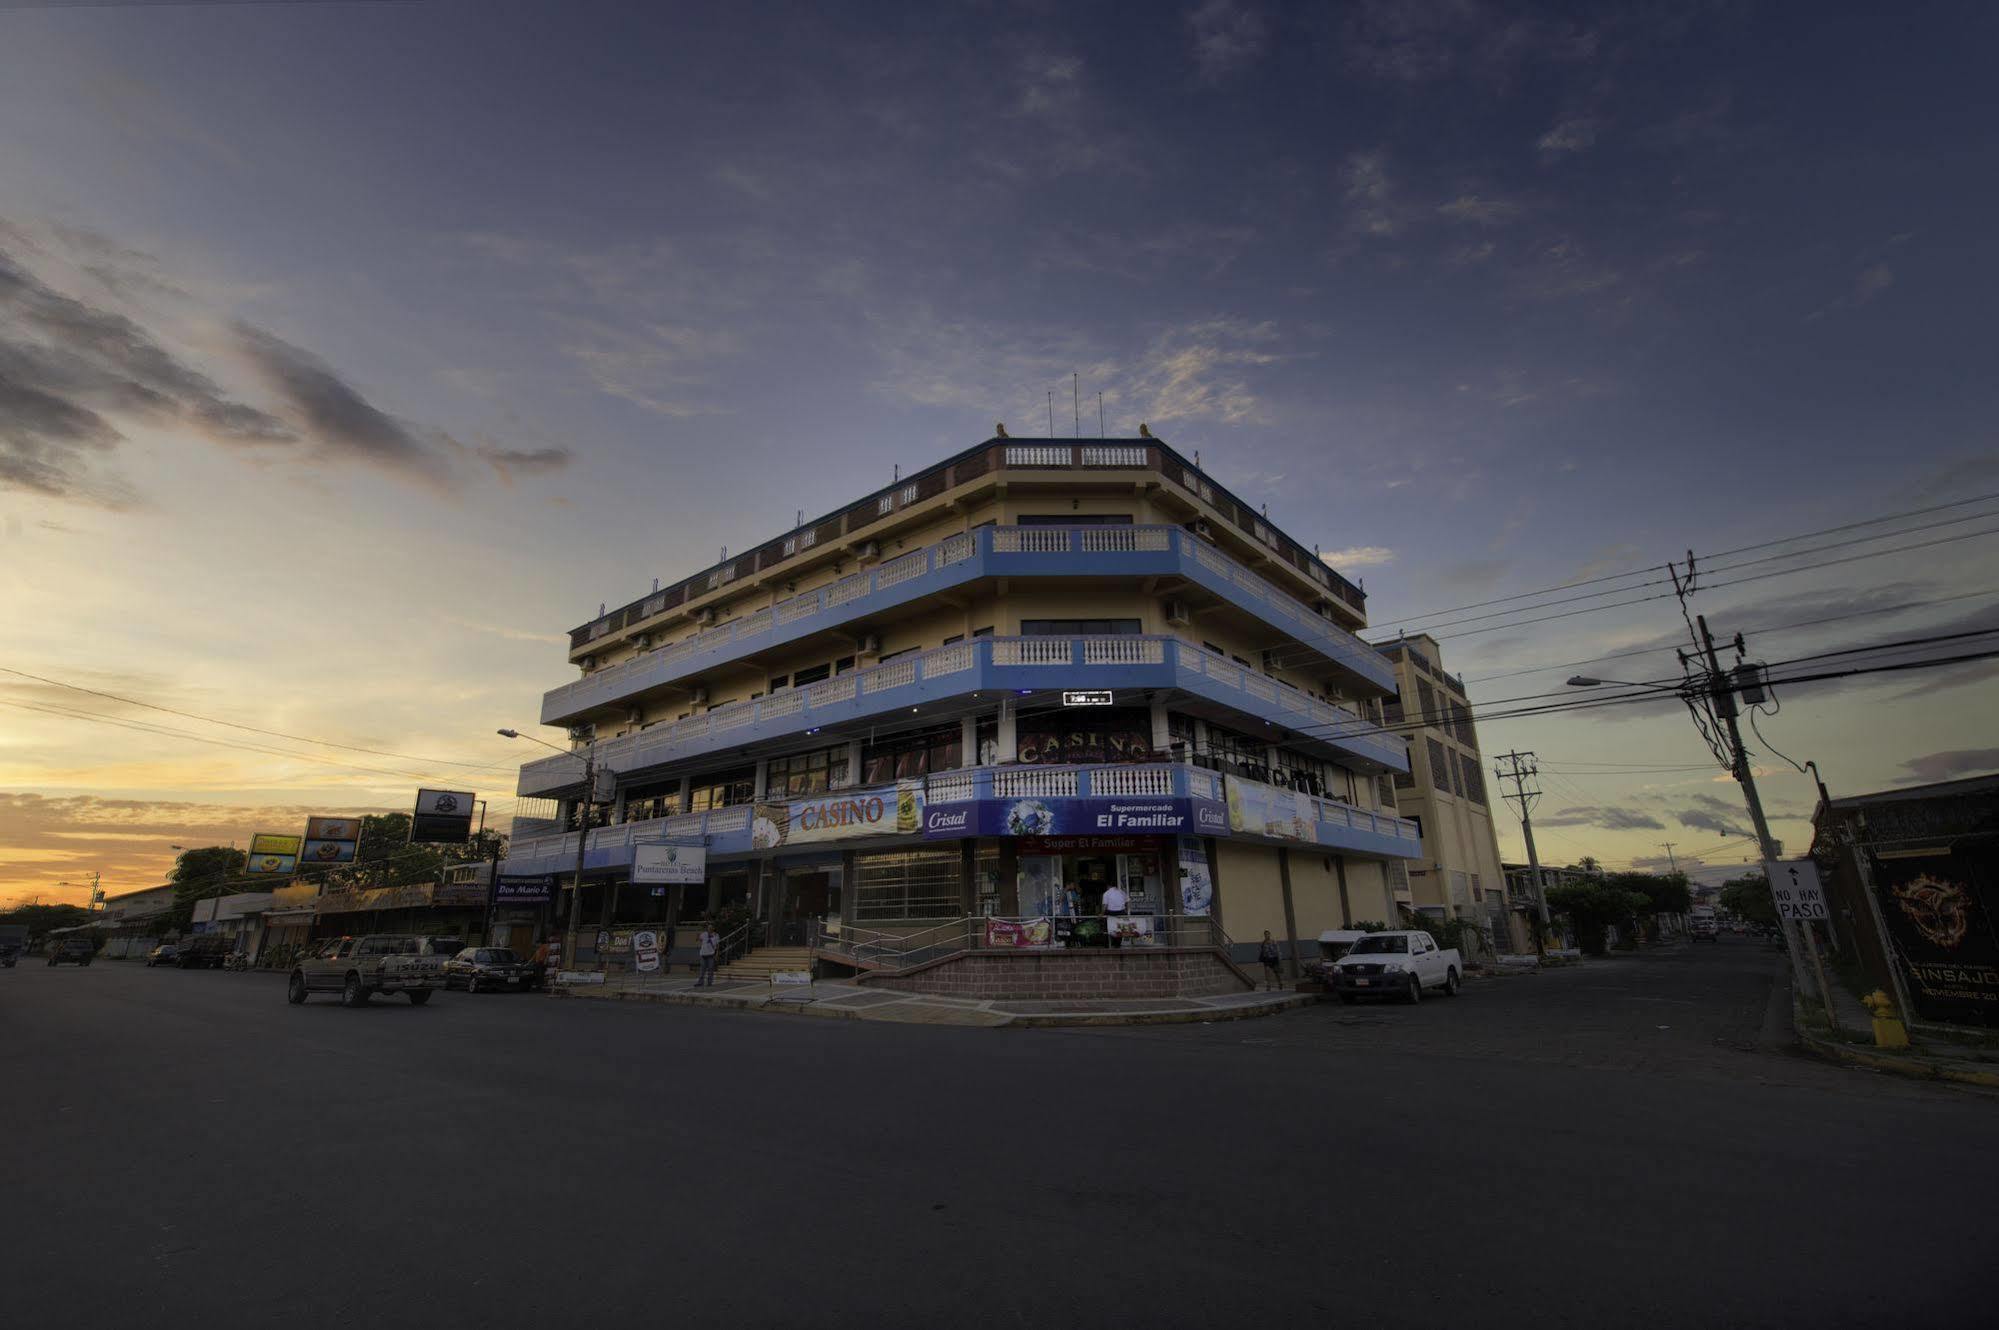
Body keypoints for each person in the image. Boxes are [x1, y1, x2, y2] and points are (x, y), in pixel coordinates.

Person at [1101, 880, 1130, 948]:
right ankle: (1117, 944)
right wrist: (1126, 910)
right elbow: (1128, 902)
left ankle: (1108, 944)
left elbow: (1104, 906)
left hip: (1111, 912)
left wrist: (1101, 914)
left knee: (1108, 928)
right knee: (1120, 928)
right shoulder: (1122, 892)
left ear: (1108, 886)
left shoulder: (1106, 893)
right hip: (1121, 912)